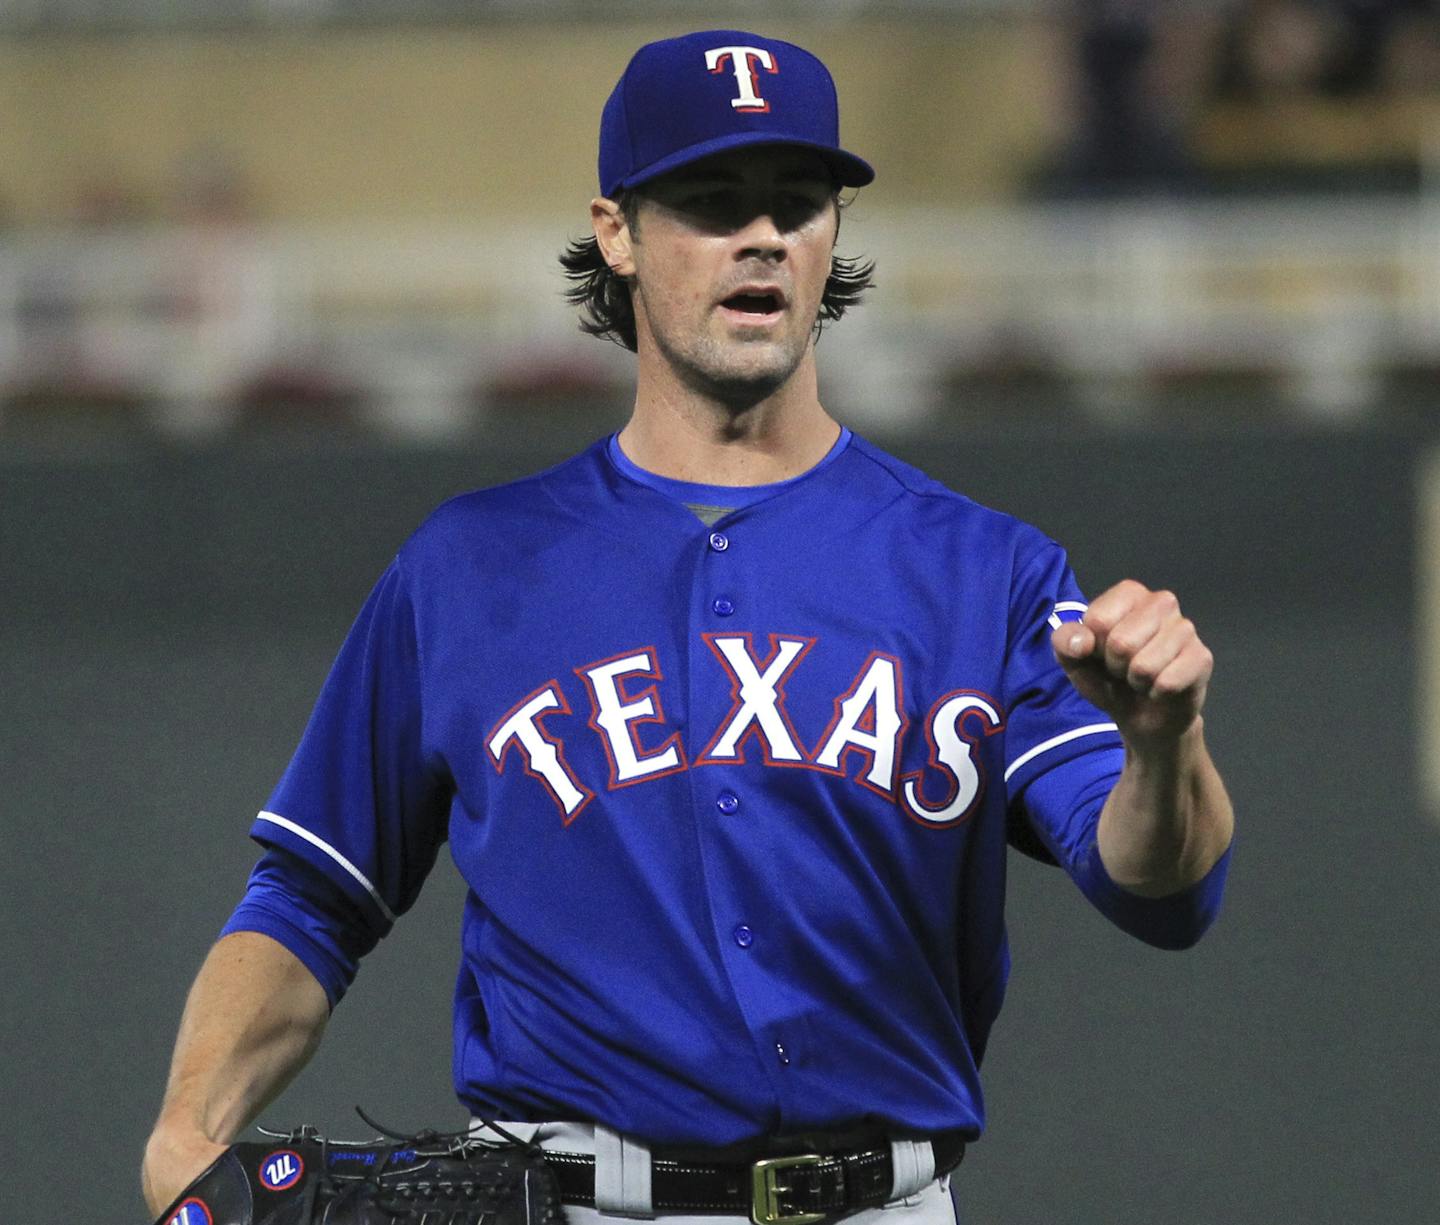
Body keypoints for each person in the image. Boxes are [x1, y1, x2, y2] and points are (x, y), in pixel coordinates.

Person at [142, 29, 1234, 1225]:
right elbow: (311, 894)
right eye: (712, 202)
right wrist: (185, 1129)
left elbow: (1160, 888)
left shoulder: (984, 569)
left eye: (797, 201)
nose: (762, 235)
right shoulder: (468, 568)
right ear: (616, 232)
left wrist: (1164, 744)